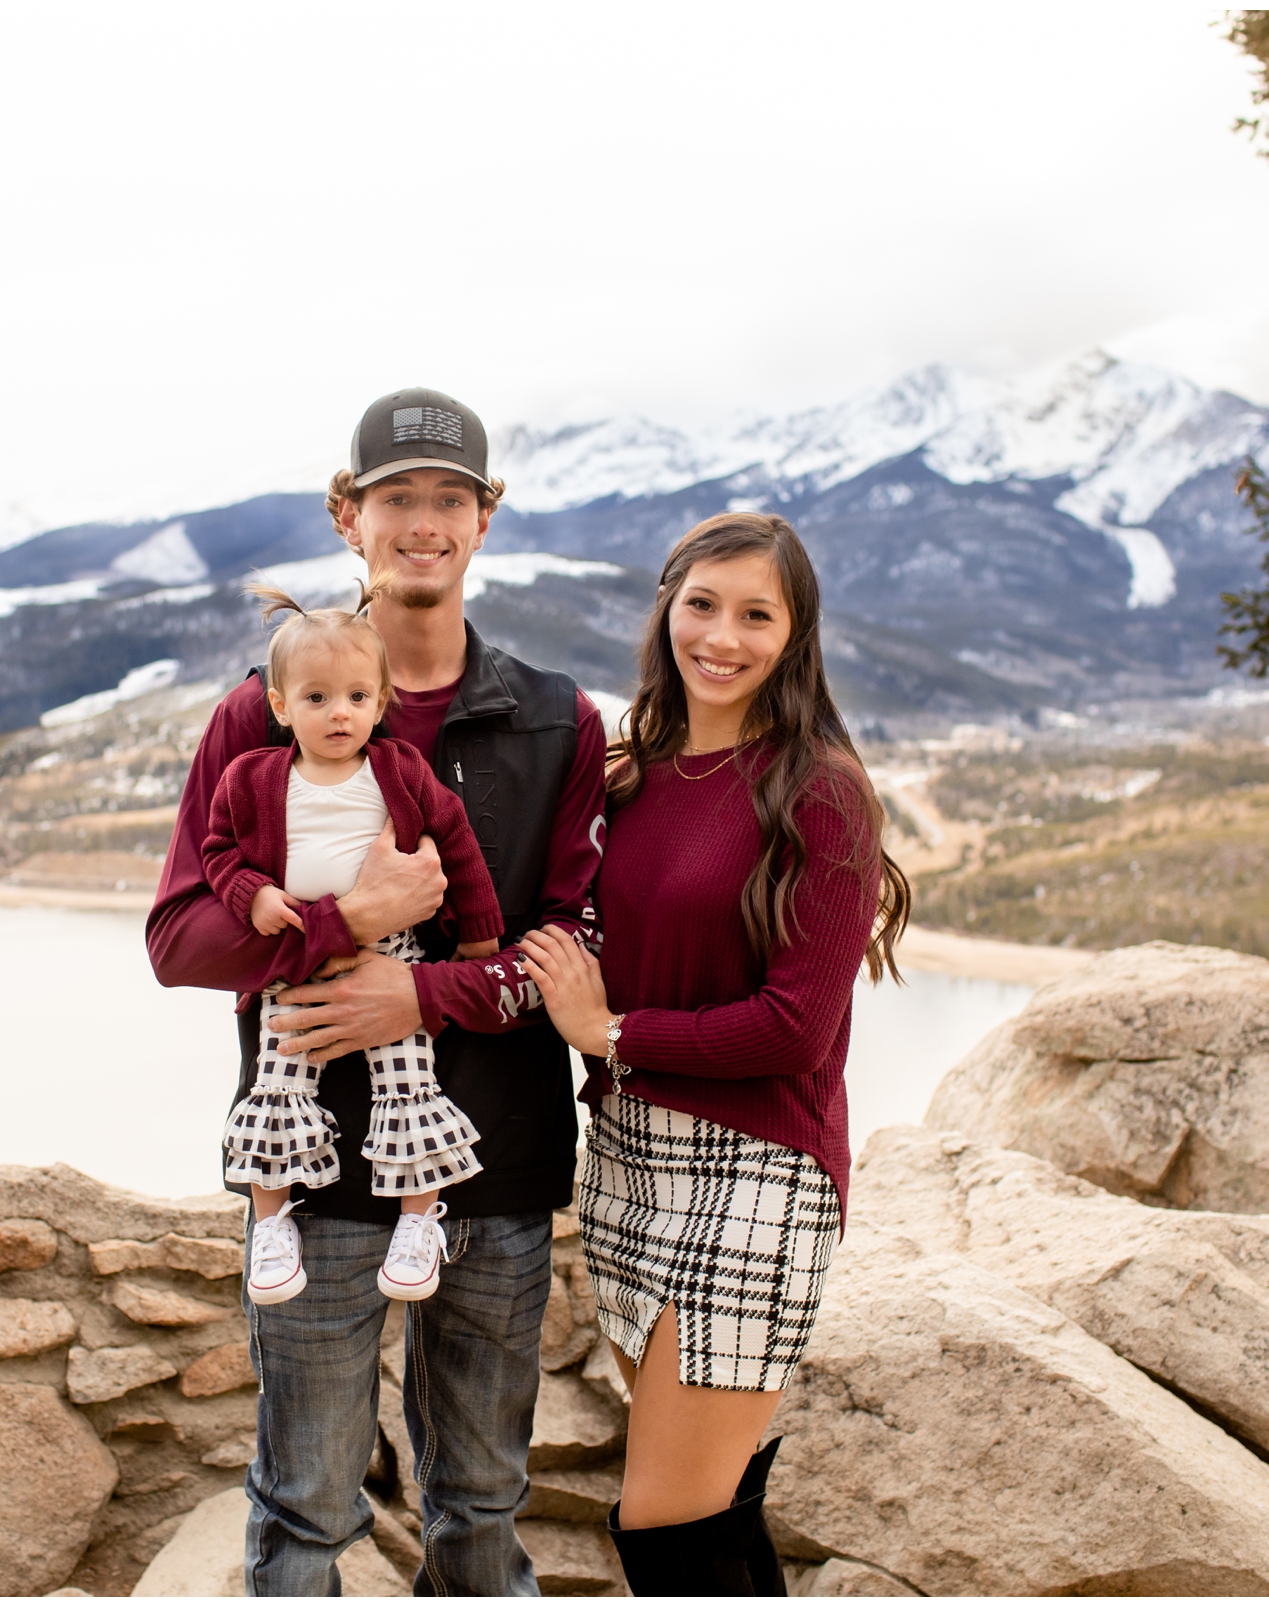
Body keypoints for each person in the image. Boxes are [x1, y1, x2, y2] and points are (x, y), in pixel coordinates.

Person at [147, 386, 608, 1596]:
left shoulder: (559, 720)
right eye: (395, 497)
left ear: (484, 521)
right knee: (304, 1507)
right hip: (309, 1181)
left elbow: (568, 938)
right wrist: (349, 924)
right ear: (347, 516)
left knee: (481, 1502)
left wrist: (425, 996)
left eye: (447, 498)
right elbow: (181, 940)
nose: (422, 521)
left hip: (496, 1164)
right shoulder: (259, 714)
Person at [519, 511, 909, 1597]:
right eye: (702, 604)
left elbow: (795, 1023)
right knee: (714, 1519)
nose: (722, 636)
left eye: (755, 613)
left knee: (666, 1531)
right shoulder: (629, 771)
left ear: (795, 633)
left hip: (757, 1171)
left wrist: (610, 1034)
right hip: (629, 1162)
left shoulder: (820, 787)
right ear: (665, 608)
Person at [205, 583, 504, 1303]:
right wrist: (257, 895)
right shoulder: (253, 778)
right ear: (280, 705)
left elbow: (457, 841)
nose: (339, 713)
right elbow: (218, 852)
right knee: (277, 1078)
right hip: (297, 963)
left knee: (408, 1078)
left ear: (379, 700)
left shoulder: (397, 769)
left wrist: (480, 933)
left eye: (356, 697)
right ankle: (272, 1227)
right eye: (316, 698)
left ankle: (418, 1217)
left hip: (392, 956)